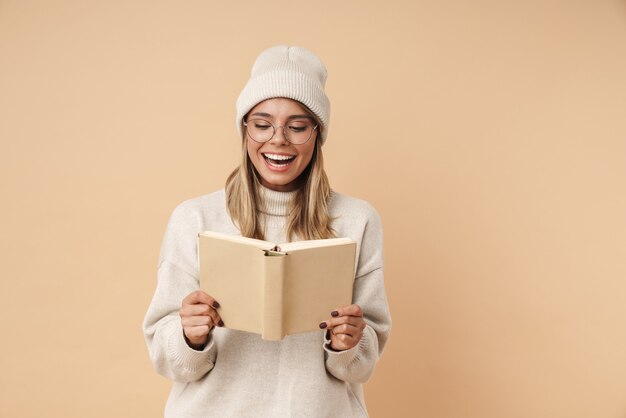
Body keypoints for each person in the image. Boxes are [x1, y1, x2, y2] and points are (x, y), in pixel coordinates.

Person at [143, 45, 392, 418]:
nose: (278, 140)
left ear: (317, 134)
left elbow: (361, 366)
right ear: (245, 129)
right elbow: (168, 361)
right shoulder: (194, 218)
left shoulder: (357, 220)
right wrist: (189, 337)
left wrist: (349, 344)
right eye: (262, 124)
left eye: (297, 126)